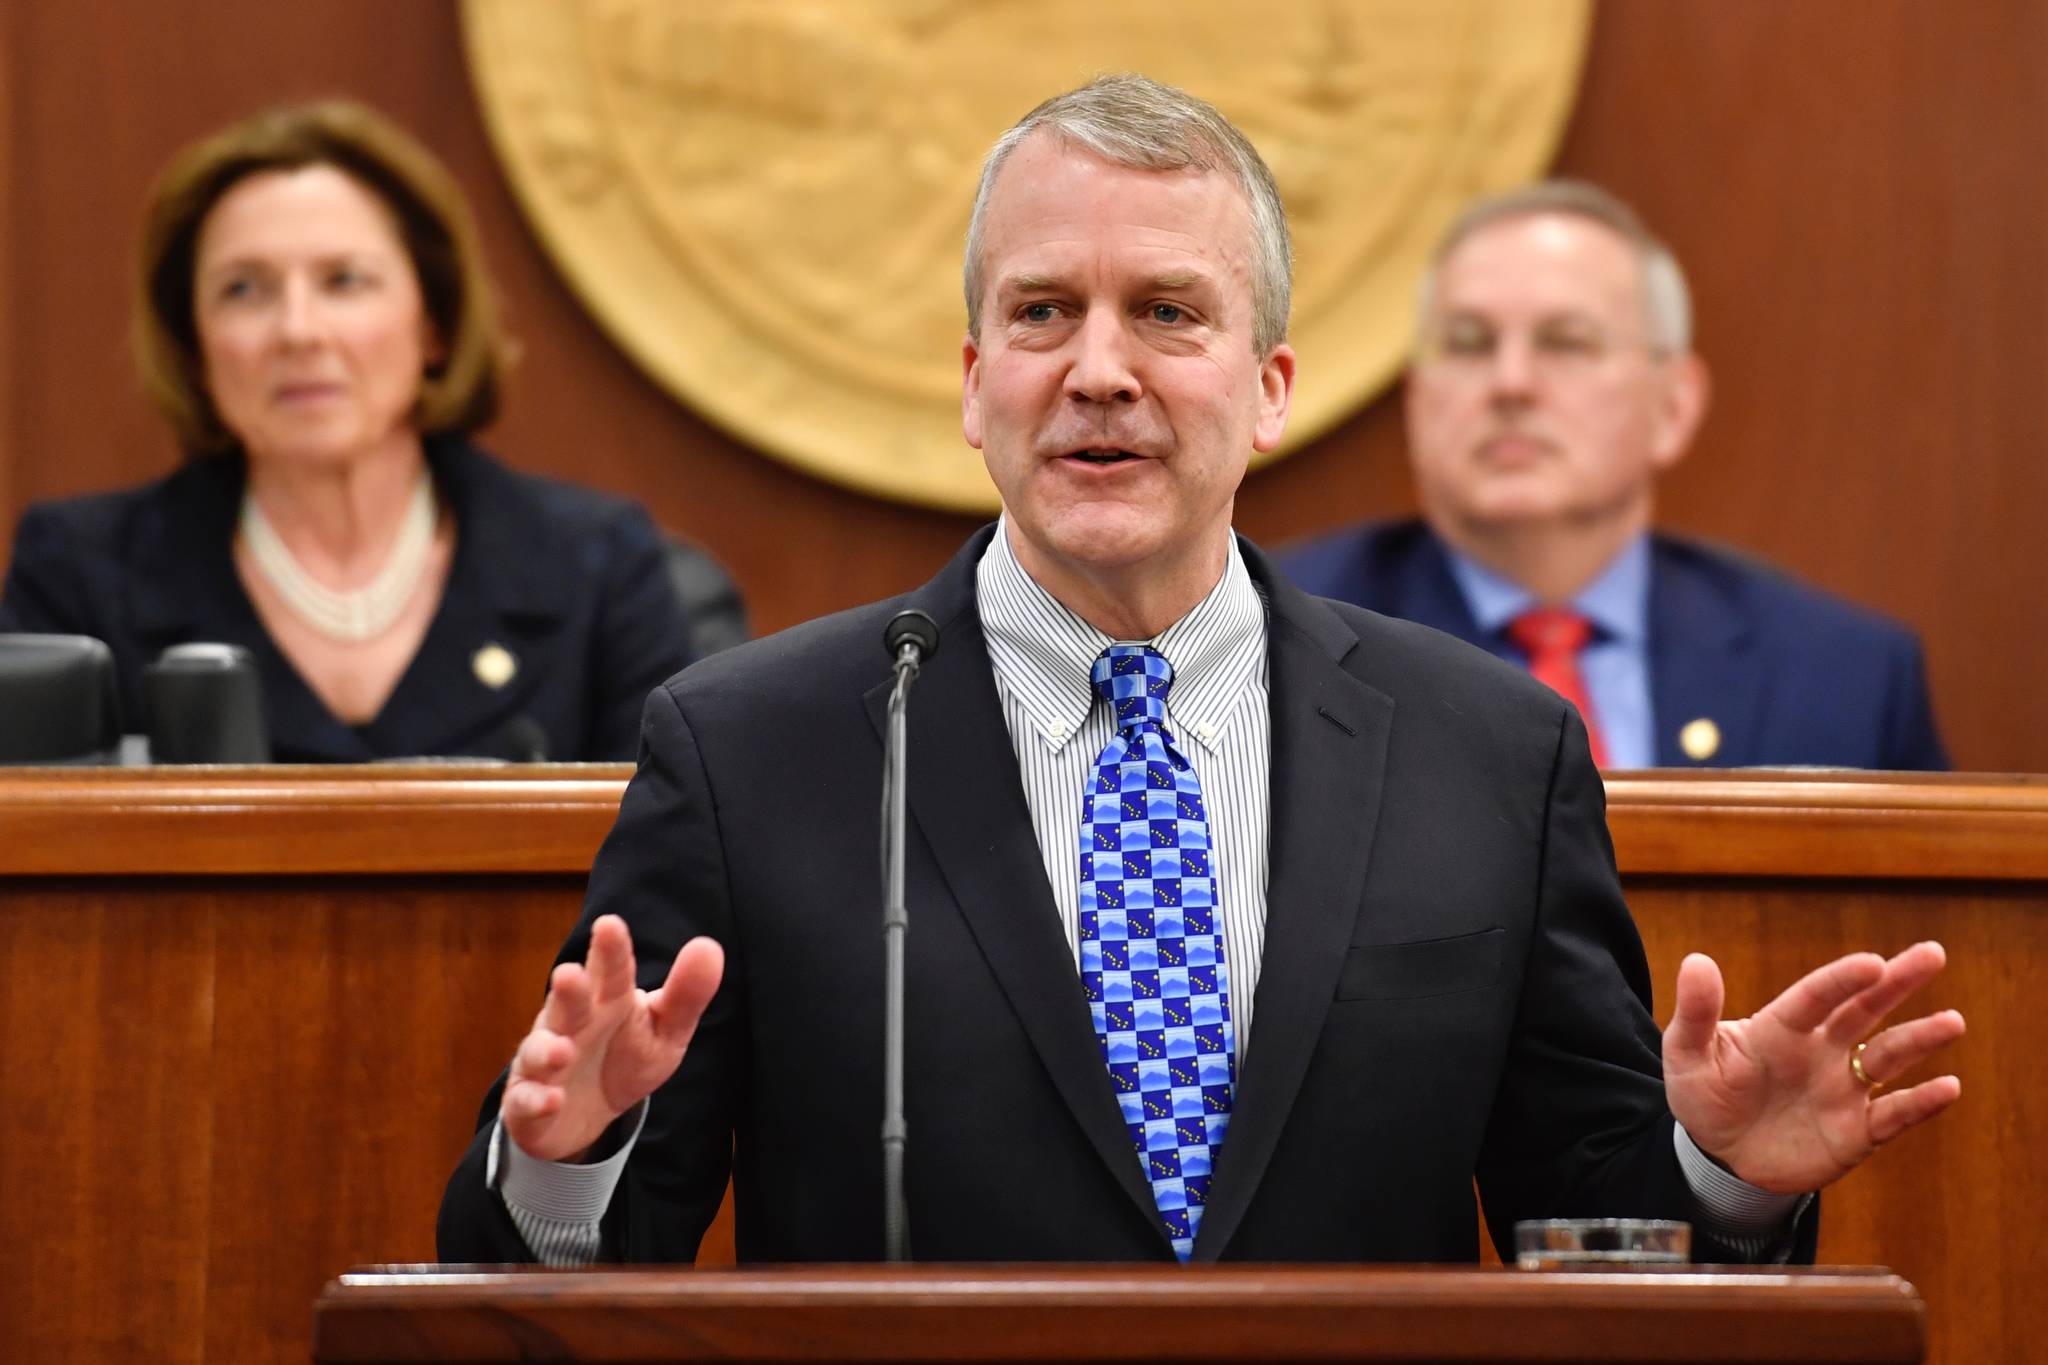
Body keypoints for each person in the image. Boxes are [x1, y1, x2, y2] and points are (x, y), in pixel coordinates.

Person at [437, 76, 1962, 1267]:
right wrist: (567, 1165)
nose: (1100, 368)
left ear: (1270, 388)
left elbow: (1601, 1239)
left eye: (1167, 311)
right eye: (1043, 313)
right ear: (975, 388)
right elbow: (569, 1291)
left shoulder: (1489, 750)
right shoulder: (750, 750)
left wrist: (1717, 1172)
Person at [0, 100, 743, 762]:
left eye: (344, 281)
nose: (297, 329)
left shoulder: (600, 568)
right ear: (194, 347)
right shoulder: (81, 577)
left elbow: (675, 875)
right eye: (244, 289)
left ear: (434, 325)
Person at [1281, 181, 1947, 770]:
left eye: (1568, 341)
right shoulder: (1278, 643)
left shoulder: (1841, 676)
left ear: (1672, 407)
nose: (1511, 383)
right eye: (1469, 343)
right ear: (1418, 400)